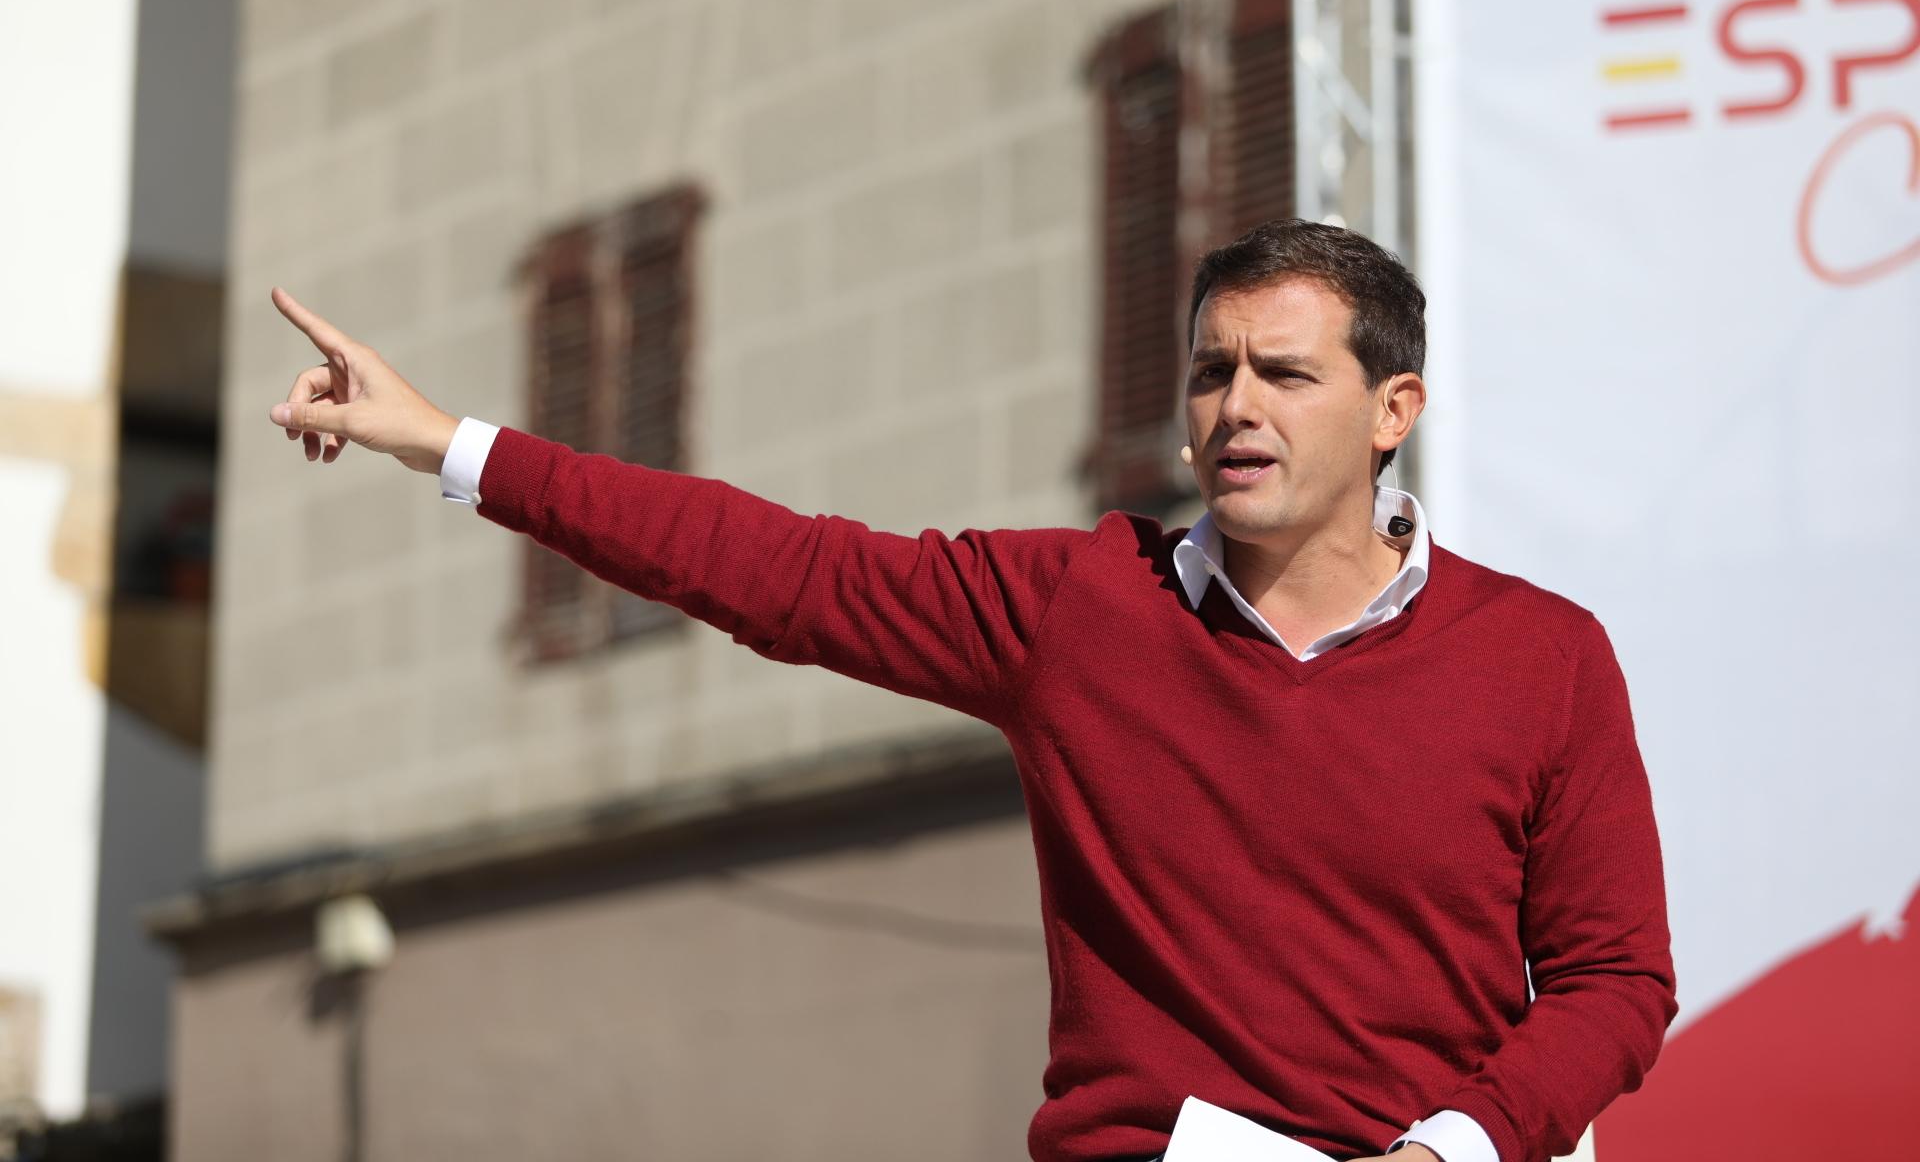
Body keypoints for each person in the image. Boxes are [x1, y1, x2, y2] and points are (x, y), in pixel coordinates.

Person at [267, 219, 1677, 1162]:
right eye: (1209, 371)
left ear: (1392, 411)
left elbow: (1616, 981)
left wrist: (1459, 1148)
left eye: (1283, 374)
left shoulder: (1544, 656)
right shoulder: (1077, 609)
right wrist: (447, 442)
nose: (1234, 407)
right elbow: (770, 569)